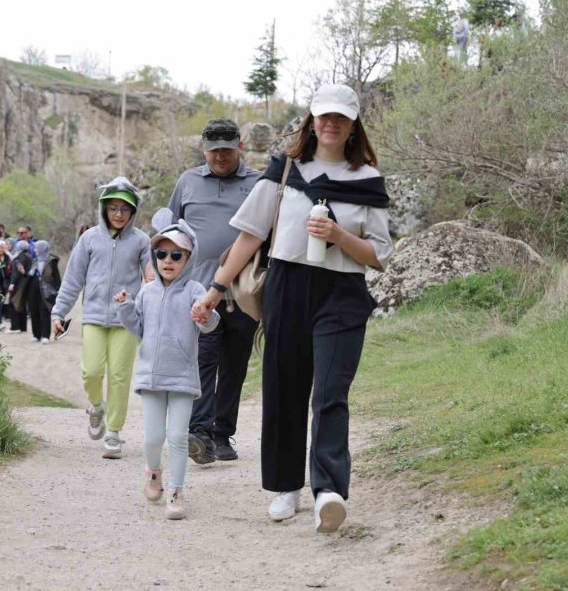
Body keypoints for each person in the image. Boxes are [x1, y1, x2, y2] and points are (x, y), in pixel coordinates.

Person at [193, 83, 392, 534]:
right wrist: (215, 289)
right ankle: (286, 485)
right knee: (284, 387)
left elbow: (379, 254)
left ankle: (329, 491)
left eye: (340, 117)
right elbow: (249, 235)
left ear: (353, 123)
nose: (330, 124)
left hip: (342, 292)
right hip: (286, 285)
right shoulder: (285, 170)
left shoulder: (368, 181)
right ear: (312, 119)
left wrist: (339, 237)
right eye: (324, 116)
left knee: (330, 393)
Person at [168, 117, 262, 464]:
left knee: (234, 365)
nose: (219, 157)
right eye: (213, 151)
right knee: (203, 359)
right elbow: (171, 229)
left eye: (226, 150)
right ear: (204, 150)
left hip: (243, 293)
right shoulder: (187, 181)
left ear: (239, 147)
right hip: (198, 290)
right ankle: (201, 432)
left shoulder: (257, 183)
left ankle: (223, 434)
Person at [115, 213, 219, 520]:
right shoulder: (147, 291)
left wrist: (206, 316)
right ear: (153, 257)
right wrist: (124, 307)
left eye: (176, 255)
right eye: (161, 254)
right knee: (152, 439)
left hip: (183, 377)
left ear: (189, 258)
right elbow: (138, 328)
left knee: (177, 437)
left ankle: (176, 491)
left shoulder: (195, 291)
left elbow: (211, 324)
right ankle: (153, 472)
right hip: (151, 376)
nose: (168, 260)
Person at [51, 176, 152, 459]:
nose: (118, 214)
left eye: (125, 209)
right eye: (113, 208)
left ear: (133, 211)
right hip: (94, 316)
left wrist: (140, 297)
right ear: (104, 208)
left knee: (120, 376)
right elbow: (73, 279)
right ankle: (96, 405)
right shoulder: (89, 239)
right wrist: (59, 312)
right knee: (92, 371)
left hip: (126, 319)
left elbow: (151, 279)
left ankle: (114, 432)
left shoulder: (142, 241)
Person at [25, 240, 61, 343]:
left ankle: (45, 336)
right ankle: (36, 335)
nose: (34, 249)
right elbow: (28, 277)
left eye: (36, 248)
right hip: (33, 290)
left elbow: (57, 278)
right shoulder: (34, 261)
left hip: (46, 291)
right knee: (34, 311)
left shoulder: (51, 262)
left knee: (44, 312)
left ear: (41, 249)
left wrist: (58, 290)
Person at [7, 239, 33, 335]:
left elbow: (17, 271)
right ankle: (23, 327)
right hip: (26, 283)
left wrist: (12, 283)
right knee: (21, 304)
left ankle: (15, 327)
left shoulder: (20, 257)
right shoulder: (29, 256)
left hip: (19, 284)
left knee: (13, 303)